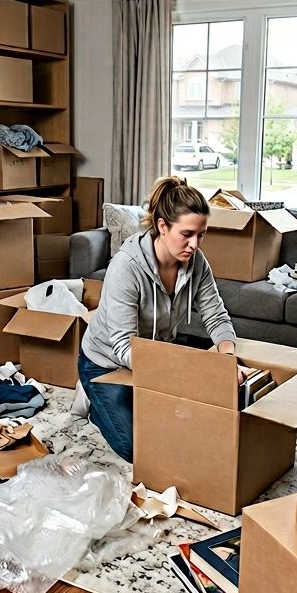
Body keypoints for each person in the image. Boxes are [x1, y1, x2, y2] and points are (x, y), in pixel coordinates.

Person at [78, 176, 239, 462]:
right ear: (162, 227)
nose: (194, 244)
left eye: (201, 235)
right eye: (187, 234)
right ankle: (94, 403)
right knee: (137, 448)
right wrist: (174, 371)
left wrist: (227, 359)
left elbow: (217, 316)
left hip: (155, 359)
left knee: (184, 432)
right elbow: (123, 347)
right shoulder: (126, 267)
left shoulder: (197, 262)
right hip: (106, 363)